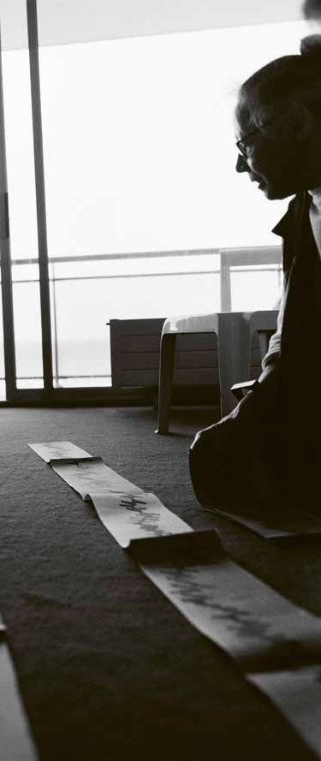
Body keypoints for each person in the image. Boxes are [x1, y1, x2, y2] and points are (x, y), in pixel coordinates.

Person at [189, 35, 321, 514]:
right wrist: (260, 399)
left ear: (298, 124)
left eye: (245, 144)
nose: (238, 165)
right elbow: (291, 327)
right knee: (223, 459)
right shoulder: (303, 212)